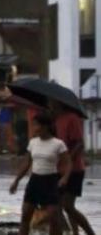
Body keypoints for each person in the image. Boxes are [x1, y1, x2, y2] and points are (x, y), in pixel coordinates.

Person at [9, 113, 72, 235]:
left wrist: (65, 178)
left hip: (51, 181)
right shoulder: (33, 142)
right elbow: (27, 163)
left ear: (45, 126)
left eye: (36, 125)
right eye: (33, 125)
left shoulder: (58, 144)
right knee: (26, 215)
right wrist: (16, 181)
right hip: (35, 180)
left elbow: (68, 163)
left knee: (53, 216)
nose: (34, 128)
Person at [50, 100, 96, 235]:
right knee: (56, 205)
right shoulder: (53, 120)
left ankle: (89, 232)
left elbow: (79, 143)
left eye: (51, 102)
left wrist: (69, 158)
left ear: (59, 103)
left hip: (74, 169)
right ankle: (70, 232)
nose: (49, 105)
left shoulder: (72, 118)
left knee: (67, 205)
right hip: (57, 169)